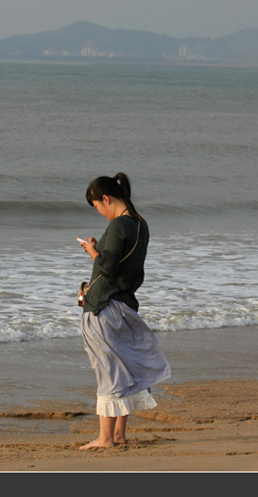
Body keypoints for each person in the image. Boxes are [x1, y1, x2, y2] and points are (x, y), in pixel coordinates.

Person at [77, 172, 171, 450]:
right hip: (126, 306)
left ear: (105, 199)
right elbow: (121, 263)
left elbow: (108, 267)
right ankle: (118, 434)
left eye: (98, 207)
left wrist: (93, 250)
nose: (101, 213)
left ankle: (105, 438)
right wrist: (99, 250)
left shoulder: (119, 225)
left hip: (104, 306)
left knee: (107, 370)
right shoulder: (140, 225)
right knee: (125, 367)